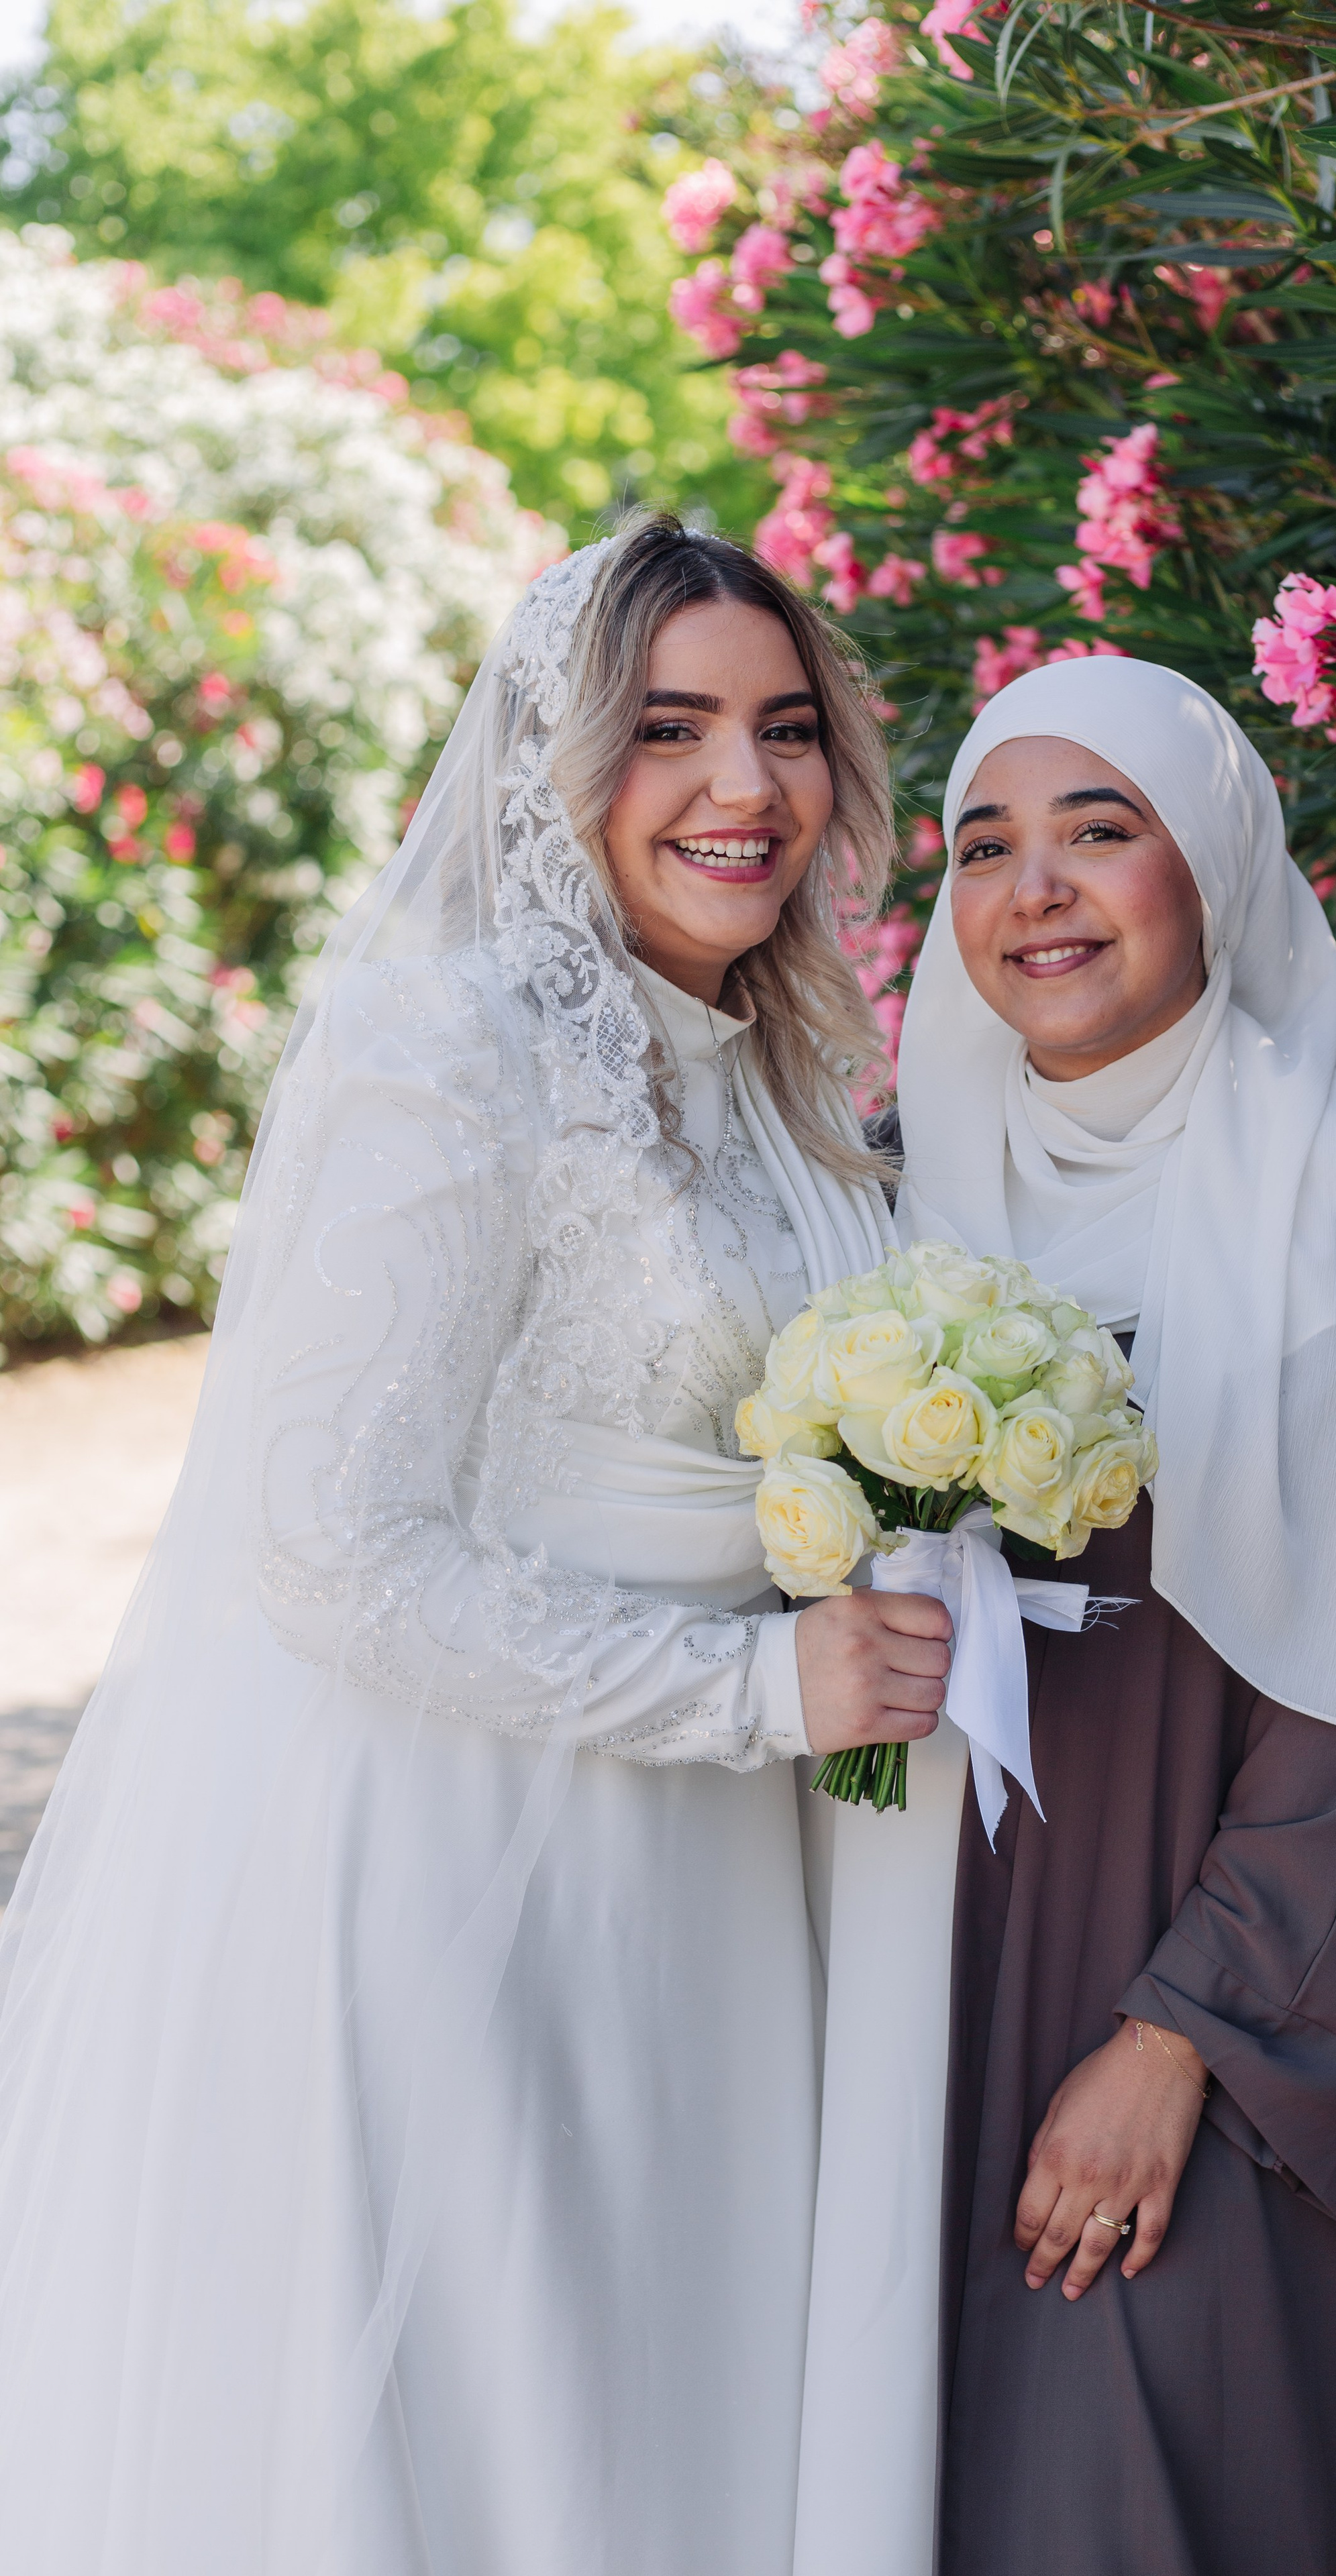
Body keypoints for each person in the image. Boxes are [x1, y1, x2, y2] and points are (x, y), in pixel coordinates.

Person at [0, 514, 956, 2575]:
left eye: (788, 732)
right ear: (556, 757)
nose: (747, 788)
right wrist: (743, 1687)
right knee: (513, 2425)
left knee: (673, 2417)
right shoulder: (444, 1049)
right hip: (484, 1864)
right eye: (672, 728)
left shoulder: (786, 1068)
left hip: (726, 1875)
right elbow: (332, 1544)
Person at [894, 658, 1336, 2576]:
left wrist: (1179, 2042)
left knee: (1163, 2476)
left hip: (1228, 1991)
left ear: (1219, 868)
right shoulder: (913, 1183)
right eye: (986, 846)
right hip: (925, 1966)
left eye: (1103, 832)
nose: (1039, 892)